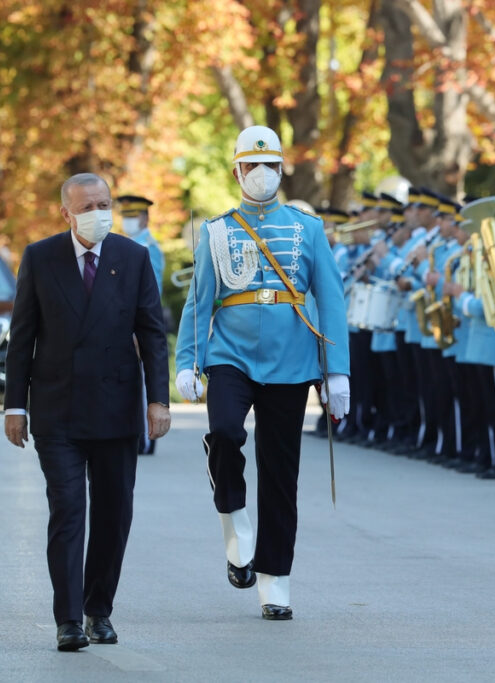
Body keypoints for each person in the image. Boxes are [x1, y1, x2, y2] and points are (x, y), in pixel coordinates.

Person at [173, 125, 349, 620]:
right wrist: (187, 360)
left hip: (292, 359)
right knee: (225, 433)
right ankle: (233, 516)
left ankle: (275, 578)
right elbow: (198, 301)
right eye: (253, 166)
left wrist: (338, 373)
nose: (262, 175)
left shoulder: (307, 228)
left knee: (280, 472)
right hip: (230, 353)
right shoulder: (217, 230)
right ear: (237, 172)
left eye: (271, 165)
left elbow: (331, 299)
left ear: (281, 169)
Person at [3, 173, 171, 651]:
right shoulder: (40, 257)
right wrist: (16, 405)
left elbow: (152, 333)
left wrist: (156, 400)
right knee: (69, 510)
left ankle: (100, 610)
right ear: (66, 212)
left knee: (114, 513)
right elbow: (23, 335)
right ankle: (69, 619)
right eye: (88, 205)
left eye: (104, 203)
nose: (99, 212)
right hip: (58, 408)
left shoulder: (133, 257)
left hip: (117, 408)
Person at [117, 194, 166, 455]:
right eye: (124, 216)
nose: (128, 221)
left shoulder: (148, 248)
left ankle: (145, 439)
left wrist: (140, 330)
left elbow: (152, 292)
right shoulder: (127, 244)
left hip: (138, 325)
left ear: (145, 218)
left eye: (132, 216)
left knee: (144, 382)